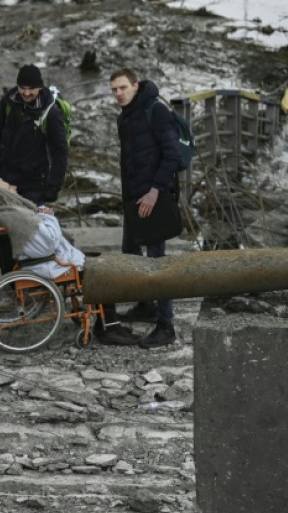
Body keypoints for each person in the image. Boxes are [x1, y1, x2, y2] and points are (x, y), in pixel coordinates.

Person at [0, 178, 140, 345]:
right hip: (47, 264)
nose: (15, 186)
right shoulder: (16, 216)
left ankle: (109, 323)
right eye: (9, 187)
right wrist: (47, 216)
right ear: (1, 194)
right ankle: (109, 329)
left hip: (38, 262)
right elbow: (48, 244)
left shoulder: (3, 212)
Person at [110, 67, 180, 348]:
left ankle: (166, 325)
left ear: (135, 86)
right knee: (130, 254)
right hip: (133, 201)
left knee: (157, 264)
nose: (118, 94)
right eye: (114, 89)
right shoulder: (124, 117)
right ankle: (145, 304)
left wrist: (154, 192)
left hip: (154, 199)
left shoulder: (156, 110)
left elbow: (172, 154)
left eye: (123, 88)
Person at [0, 64, 68, 206]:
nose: (26, 93)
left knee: (27, 223)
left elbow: (60, 151)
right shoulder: (7, 102)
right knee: (4, 220)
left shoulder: (51, 113)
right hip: (5, 177)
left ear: (40, 87)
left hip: (33, 183)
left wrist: (54, 185)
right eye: (22, 88)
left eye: (31, 89)